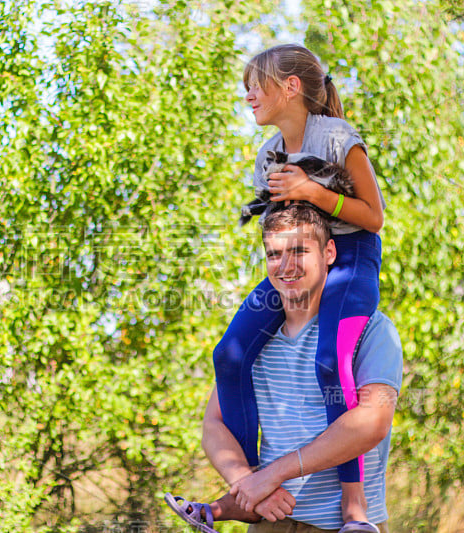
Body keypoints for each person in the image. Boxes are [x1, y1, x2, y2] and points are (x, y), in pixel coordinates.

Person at [211, 43, 387, 529]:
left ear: (290, 87)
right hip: (301, 260)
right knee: (229, 355)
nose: (247, 94)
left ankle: (355, 510)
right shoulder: (268, 154)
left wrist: (312, 191)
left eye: (255, 84)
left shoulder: (337, 138)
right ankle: (247, 487)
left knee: (331, 361)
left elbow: (373, 217)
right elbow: (282, 227)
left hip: (349, 258)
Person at [166, 204, 402, 532]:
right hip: (269, 523)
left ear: (329, 252)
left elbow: (373, 421)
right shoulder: (253, 342)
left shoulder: (370, 329)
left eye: (299, 251)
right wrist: (249, 485)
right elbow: (213, 424)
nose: (286, 266)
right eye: (274, 255)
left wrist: (274, 474)